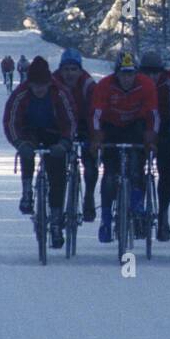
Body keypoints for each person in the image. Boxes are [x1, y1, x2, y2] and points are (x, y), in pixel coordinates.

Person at [2, 56, 78, 248]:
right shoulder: (21, 94)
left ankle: (55, 218)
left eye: (42, 85)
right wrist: (18, 143)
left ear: (48, 82)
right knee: (27, 152)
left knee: (57, 175)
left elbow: (70, 120)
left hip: (54, 133)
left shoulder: (59, 93)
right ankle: (27, 191)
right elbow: (11, 121)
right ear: (30, 83)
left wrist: (64, 143)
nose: (39, 90)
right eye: (35, 86)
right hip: (30, 132)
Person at [90, 52, 158, 243]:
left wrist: (150, 139)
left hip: (136, 127)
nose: (127, 78)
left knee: (137, 168)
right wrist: (96, 140)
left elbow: (154, 115)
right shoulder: (105, 85)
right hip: (111, 127)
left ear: (136, 73)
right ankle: (105, 219)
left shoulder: (146, 85)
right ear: (116, 73)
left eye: (131, 73)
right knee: (110, 174)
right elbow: (96, 115)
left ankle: (137, 206)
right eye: (123, 73)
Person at [53, 48, 99, 222]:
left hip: (84, 124)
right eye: (66, 69)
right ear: (60, 70)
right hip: (62, 125)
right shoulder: (53, 82)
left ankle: (88, 196)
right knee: (58, 163)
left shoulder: (88, 85)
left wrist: (94, 137)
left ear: (80, 70)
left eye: (74, 69)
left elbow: (95, 112)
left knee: (90, 162)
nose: (70, 74)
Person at [139, 48, 170, 242]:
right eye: (147, 72)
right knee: (135, 168)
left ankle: (163, 215)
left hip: (163, 129)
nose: (152, 76)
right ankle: (136, 209)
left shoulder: (168, 82)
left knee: (167, 172)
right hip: (141, 129)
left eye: (155, 72)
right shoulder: (136, 82)